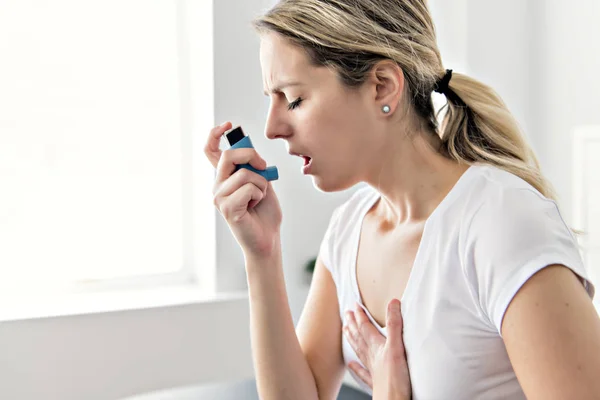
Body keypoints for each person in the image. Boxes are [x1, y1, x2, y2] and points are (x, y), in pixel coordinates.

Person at [204, 1, 600, 399]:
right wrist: (262, 253)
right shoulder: (349, 230)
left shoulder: (500, 222)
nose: (272, 128)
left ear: (382, 86)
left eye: (293, 99)